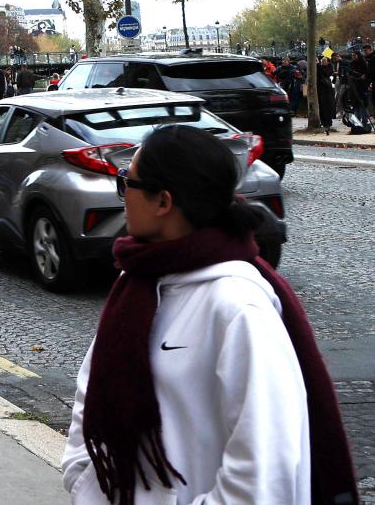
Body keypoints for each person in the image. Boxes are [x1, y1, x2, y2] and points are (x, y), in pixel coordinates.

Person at [61, 124, 357, 505]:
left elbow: (264, 469)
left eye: (127, 183)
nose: (122, 197)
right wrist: (84, 479)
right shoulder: (139, 284)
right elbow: (92, 398)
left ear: (163, 202)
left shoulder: (238, 306)